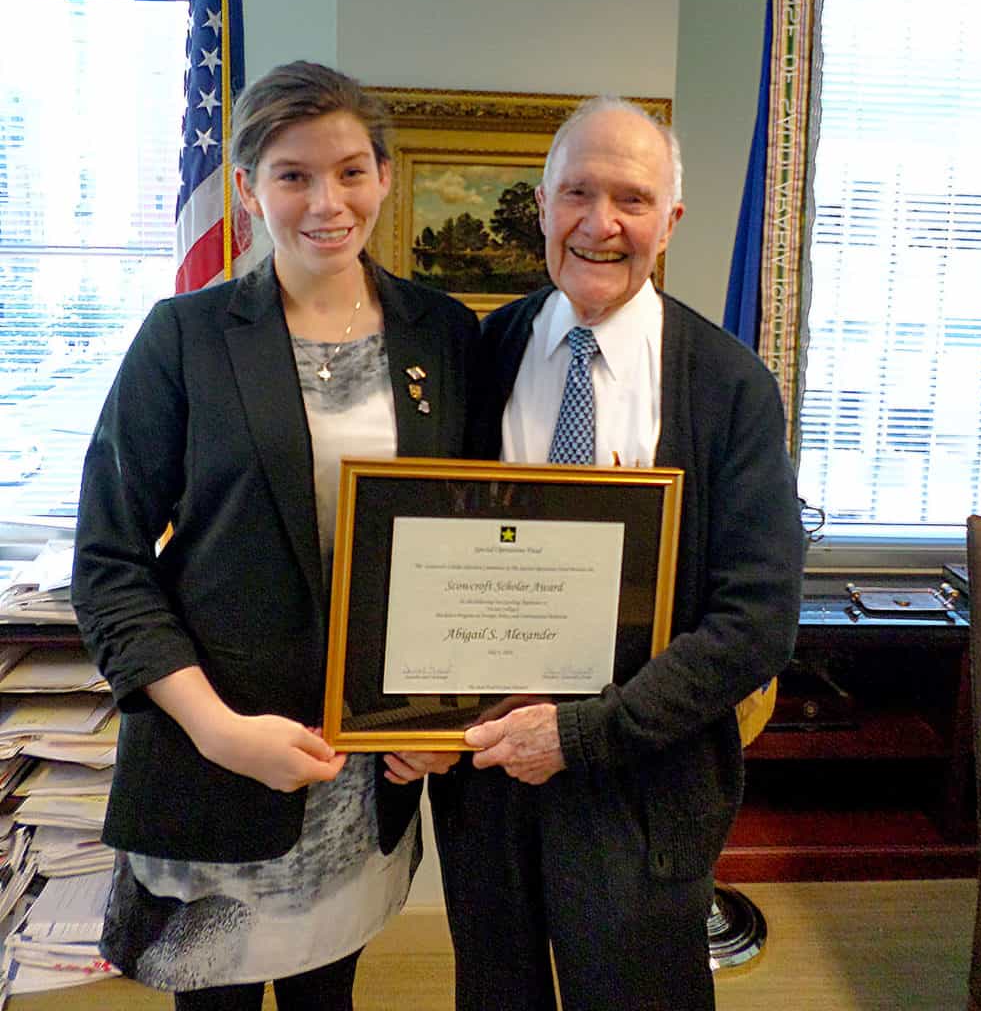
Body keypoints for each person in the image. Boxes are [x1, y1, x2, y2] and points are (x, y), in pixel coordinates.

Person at [70, 61, 470, 1011]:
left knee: (331, 992)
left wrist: (437, 714)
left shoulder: (443, 335)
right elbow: (110, 561)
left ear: (382, 174)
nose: (327, 202)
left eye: (350, 170)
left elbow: (470, 541)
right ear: (248, 190)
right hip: (221, 748)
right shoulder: (184, 335)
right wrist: (217, 730)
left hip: (366, 773)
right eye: (293, 175)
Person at [428, 96, 806, 1011]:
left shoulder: (729, 387)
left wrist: (585, 734)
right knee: (496, 992)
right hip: (488, 782)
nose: (602, 224)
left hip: (644, 781)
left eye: (632, 199)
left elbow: (757, 621)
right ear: (542, 204)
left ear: (670, 220)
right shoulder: (481, 353)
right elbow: (424, 555)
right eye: (577, 193)